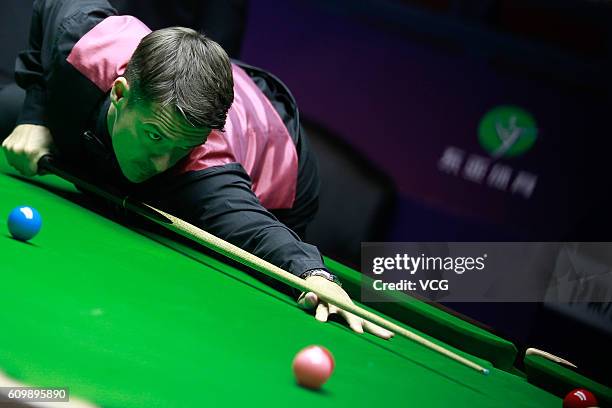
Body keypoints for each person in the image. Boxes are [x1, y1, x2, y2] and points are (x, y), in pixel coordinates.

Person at [1, 0, 392, 339]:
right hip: (178, 82)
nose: (159, 163)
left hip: (279, 161)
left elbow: (259, 230)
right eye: (154, 137)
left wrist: (316, 276)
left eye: (179, 147)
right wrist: (35, 114)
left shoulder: (205, 169)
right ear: (119, 94)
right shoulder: (85, 43)